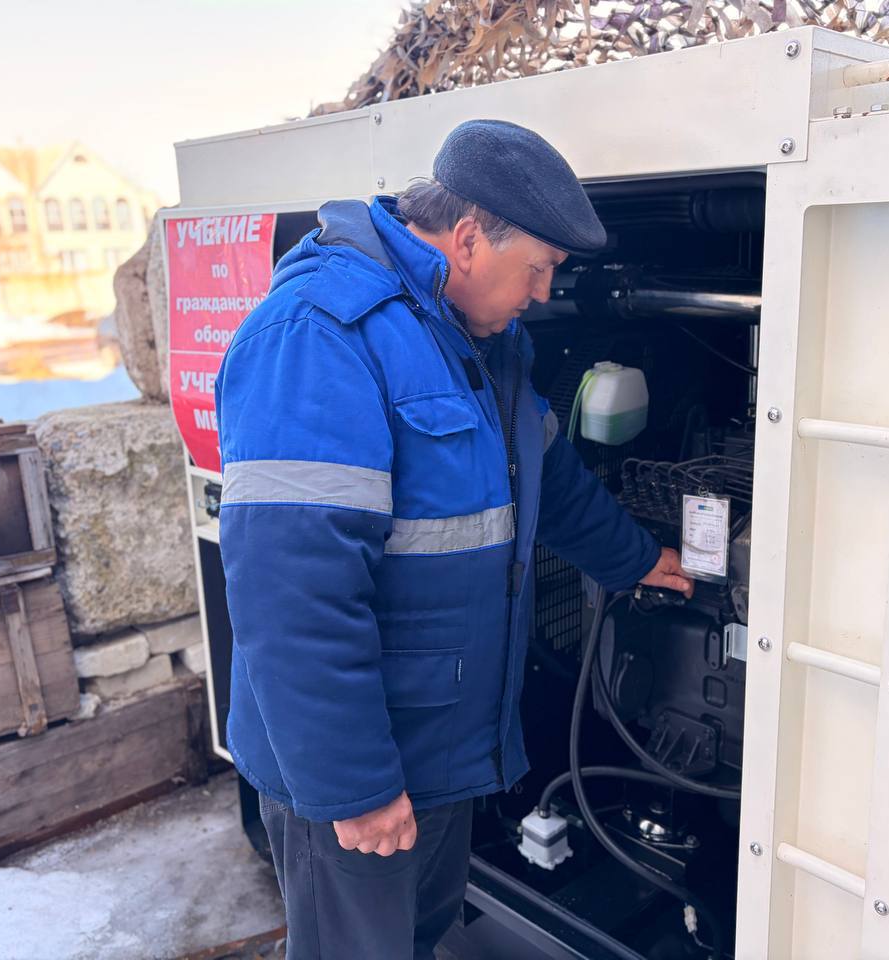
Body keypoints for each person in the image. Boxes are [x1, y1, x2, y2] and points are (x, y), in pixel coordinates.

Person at [215, 119, 693, 960]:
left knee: (422, 940)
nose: (543, 292)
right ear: (468, 239)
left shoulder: (478, 338)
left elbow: (545, 477)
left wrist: (637, 559)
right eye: (539, 267)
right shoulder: (319, 335)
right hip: (356, 771)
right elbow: (292, 595)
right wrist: (355, 787)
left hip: (438, 754)